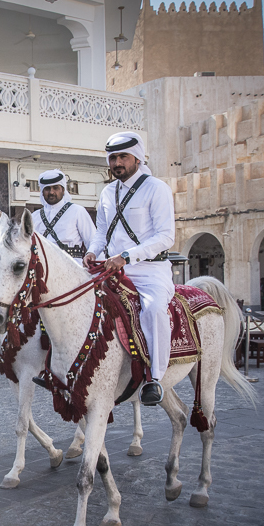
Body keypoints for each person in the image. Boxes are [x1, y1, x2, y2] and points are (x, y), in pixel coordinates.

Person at [83, 132, 175, 406]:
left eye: (123, 157)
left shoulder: (157, 188)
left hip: (150, 272)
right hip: (112, 271)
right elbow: (101, 233)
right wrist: (92, 251)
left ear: (138, 157)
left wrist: (126, 256)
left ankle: (154, 378)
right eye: (113, 158)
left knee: (155, 308)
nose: (117, 162)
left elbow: (165, 236)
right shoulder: (107, 192)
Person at [33, 169, 95, 261]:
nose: (51, 192)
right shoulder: (34, 216)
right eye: (47, 188)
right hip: (44, 269)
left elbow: (93, 241)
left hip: (72, 267)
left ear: (63, 189)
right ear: (42, 192)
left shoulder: (77, 211)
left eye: (55, 188)